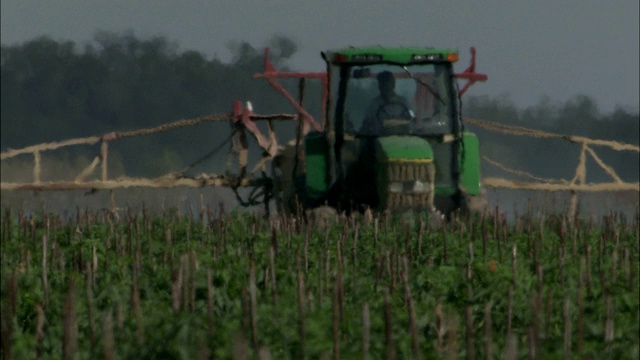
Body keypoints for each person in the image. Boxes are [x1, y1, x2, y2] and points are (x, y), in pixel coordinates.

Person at [360, 71, 413, 135]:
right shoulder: (373, 104)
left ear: (393, 84)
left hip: (402, 140)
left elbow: (412, 117)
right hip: (379, 140)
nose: (385, 85)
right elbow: (366, 124)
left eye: (387, 82)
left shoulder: (404, 102)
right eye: (382, 82)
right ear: (379, 86)